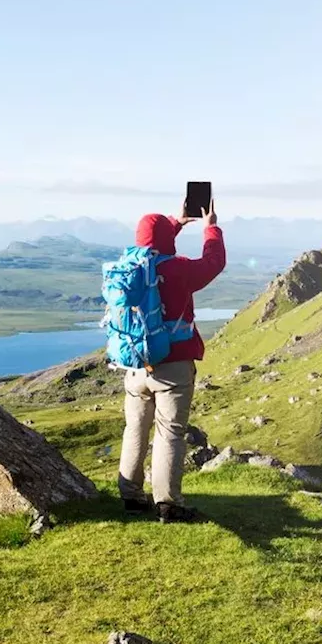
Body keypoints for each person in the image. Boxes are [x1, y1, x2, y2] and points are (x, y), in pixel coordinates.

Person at [118, 199, 226, 523]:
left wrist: (175, 222)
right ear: (168, 239)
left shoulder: (130, 269)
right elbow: (213, 262)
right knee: (170, 433)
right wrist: (211, 227)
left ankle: (130, 495)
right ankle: (168, 504)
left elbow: (154, 242)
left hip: (136, 364)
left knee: (135, 427)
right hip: (173, 365)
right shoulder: (179, 269)